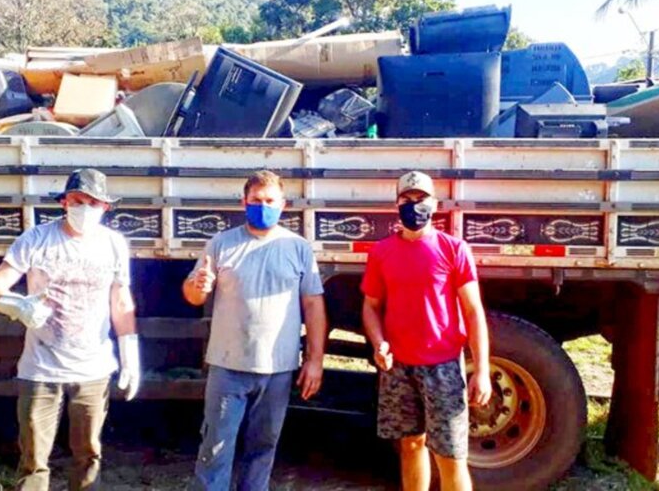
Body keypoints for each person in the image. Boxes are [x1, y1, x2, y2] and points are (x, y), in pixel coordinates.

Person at [0, 168, 140, 491]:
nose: (84, 209)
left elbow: (121, 300)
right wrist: (17, 306)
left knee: (88, 456)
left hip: (93, 368)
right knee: (33, 461)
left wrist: (130, 354)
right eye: (78, 200)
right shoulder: (36, 239)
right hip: (40, 369)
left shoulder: (114, 244)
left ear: (105, 207)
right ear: (65, 202)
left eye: (93, 203)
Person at [183, 170, 327, 491]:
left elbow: (314, 306)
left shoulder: (298, 248)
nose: (263, 206)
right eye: (256, 200)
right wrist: (198, 285)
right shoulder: (221, 243)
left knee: (262, 449)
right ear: (243, 202)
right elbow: (194, 295)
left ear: (283, 204)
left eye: (269, 201)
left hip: (277, 369)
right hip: (227, 367)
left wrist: (315, 359)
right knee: (216, 449)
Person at [361, 170, 491, 491]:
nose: (414, 205)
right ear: (397, 205)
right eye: (407, 199)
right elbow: (371, 307)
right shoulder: (381, 252)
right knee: (410, 445)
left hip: (443, 366)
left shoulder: (453, 249)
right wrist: (379, 343)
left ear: (434, 204)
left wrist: (482, 370)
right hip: (399, 367)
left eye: (421, 199)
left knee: (450, 455)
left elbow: (473, 312)